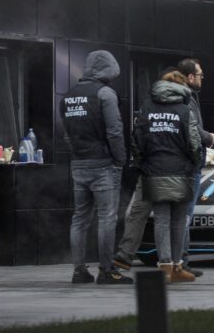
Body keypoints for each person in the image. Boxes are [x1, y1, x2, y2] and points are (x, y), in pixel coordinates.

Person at [61, 50, 132, 285]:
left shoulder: (68, 96)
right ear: (107, 70)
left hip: (79, 164)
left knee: (79, 218)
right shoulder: (105, 94)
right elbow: (114, 131)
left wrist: (77, 155)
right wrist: (120, 159)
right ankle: (106, 270)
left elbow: (67, 135)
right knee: (107, 218)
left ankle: (79, 271)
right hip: (104, 165)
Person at [132, 70, 202, 283]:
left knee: (161, 220)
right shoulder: (184, 109)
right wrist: (195, 163)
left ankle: (164, 267)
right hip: (181, 171)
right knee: (179, 220)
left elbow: (137, 141)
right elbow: (194, 143)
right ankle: (178, 266)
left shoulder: (147, 109)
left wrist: (142, 164)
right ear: (181, 87)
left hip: (154, 171)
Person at [176, 58, 214, 277]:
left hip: (175, 164)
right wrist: (209, 138)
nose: (202, 79)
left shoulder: (177, 96)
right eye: (200, 75)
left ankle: (175, 261)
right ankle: (181, 263)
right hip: (188, 165)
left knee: (176, 216)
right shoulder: (186, 97)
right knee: (184, 216)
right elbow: (192, 129)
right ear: (190, 77)